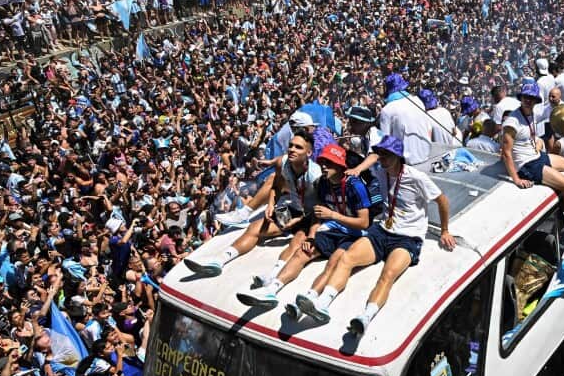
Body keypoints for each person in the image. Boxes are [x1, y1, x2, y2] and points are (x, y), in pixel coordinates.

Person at [294, 136, 455, 336]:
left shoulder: (416, 177)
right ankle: (323, 304)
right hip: (382, 231)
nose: (382, 158)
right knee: (346, 258)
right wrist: (359, 168)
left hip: (407, 237)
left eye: (387, 154)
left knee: (388, 274)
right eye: (381, 154)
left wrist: (445, 230)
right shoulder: (381, 172)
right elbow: (371, 157)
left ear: (398, 156)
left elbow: (442, 201)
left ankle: (366, 317)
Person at [239, 143, 372, 308]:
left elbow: (364, 223)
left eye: (328, 163)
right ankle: (271, 290)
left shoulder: (355, 186)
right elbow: (318, 213)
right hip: (332, 229)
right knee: (302, 251)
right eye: (322, 162)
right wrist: (312, 236)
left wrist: (333, 215)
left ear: (339, 166)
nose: (323, 166)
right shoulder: (323, 183)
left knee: (334, 263)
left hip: (354, 235)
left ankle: (313, 299)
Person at [185, 133, 319, 276]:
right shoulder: (284, 162)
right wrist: (271, 204)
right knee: (254, 227)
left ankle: (272, 278)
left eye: (298, 147)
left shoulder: (316, 175)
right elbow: (277, 186)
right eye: (291, 145)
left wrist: (300, 221)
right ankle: (218, 261)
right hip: (295, 210)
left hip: (313, 217)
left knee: (298, 242)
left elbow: (324, 208)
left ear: (309, 153)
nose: (292, 149)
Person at [499, 82, 564, 250]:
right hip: (527, 165)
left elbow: (532, 133)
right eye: (525, 97)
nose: (528, 100)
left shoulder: (530, 113)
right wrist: (517, 179)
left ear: (535, 100)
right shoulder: (512, 121)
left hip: (536, 156)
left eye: (532, 98)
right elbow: (506, 152)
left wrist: (538, 142)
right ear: (521, 98)